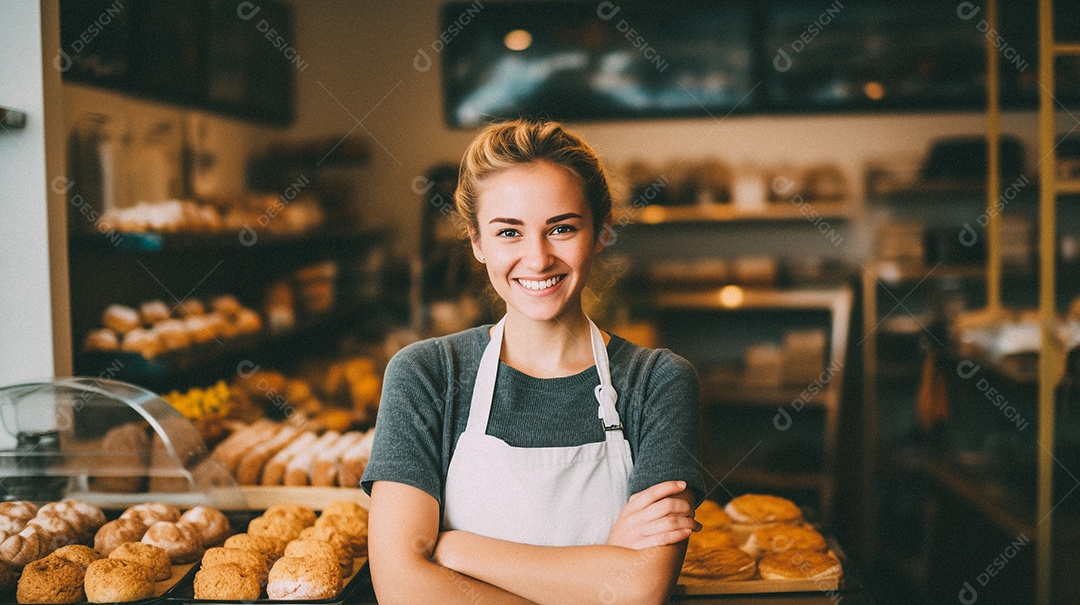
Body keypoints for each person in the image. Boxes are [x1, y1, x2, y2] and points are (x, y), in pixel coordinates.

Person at [361, 119, 705, 605]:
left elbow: (642, 589)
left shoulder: (658, 383)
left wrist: (455, 548)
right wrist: (600, 573)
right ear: (477, 242)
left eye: (561, 228)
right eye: (509, 232)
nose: (538, 258)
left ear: (601, 231)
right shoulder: (426, 376)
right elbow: (400, 588)